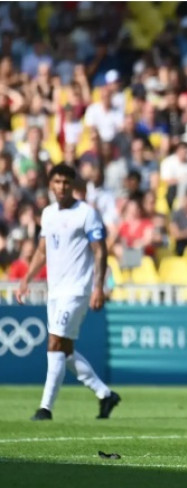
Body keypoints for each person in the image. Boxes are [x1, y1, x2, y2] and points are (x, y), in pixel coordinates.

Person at [15, 163, 121, 421]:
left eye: (66, 182)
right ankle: (105, 394)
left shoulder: (86, 213)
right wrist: (26, 278)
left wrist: (99, 287)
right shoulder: (48, 214)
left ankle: (45, 408)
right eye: (57, 182)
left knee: (54, 343)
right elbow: (42, 250)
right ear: (50, 185)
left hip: (77, 290)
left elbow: (100, 251)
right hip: (55, 291)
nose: (61, 187)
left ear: (73, 186)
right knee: (66, 350)